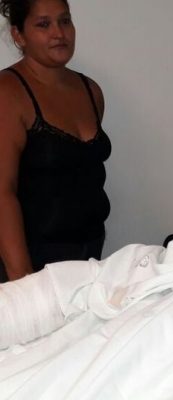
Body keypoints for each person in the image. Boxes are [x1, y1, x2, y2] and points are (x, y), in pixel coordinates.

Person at [0, 0, 111, 282]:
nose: (59, 33)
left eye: (65, 21)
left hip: (89, 261)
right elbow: (2, 192)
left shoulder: (91, 90)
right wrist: (23, 282)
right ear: (18, 35)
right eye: (43, 24)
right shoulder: (8, 92)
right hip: (29, 266)